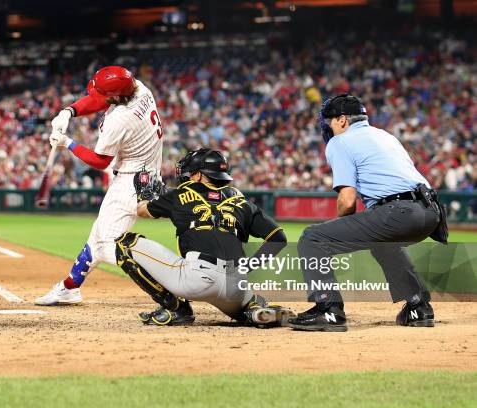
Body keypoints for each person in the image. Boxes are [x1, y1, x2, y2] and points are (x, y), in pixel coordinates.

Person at [287, 94, 448, 332]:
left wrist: (338, 233)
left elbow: (347, 201)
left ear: (342, 120)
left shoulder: (340, 142)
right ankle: (418, 307)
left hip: (399, 212)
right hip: (431, 212)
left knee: (313, 238)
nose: (328, 127)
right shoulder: (385, 136)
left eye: (329, 122)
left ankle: (328, 309)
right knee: (383, 243)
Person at [114, 148, 293, 326]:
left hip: (197, 279)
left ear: (199, 175)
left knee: (125, 244)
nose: (187, 176)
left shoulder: (180, 194)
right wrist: (249, 266)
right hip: (236, 284)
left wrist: (146, 196)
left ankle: (176, 309)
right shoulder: (242, 203)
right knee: (244, 304)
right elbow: (278, 238)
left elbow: (142, 211)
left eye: (191, 172)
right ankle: (253, 307)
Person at [35, 66, 164, 306]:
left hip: (131, 181)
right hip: (145, 173)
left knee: (107, 245)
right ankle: (69, 288)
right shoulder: (140, 89)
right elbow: (100, 100)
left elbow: (99, 161)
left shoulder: (121, 118)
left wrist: (68, 143)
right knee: (98, 235)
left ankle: (169, 275)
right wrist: (69, 111)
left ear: (116, 96)